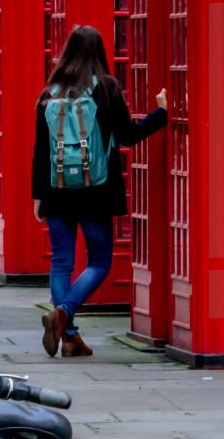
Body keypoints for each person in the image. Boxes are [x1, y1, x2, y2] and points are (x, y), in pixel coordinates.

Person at [32, 24, 167, 358]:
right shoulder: (106, 88)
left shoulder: (50, 92)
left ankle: (71, 335)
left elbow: (39, 150)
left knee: (62, 262)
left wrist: (38, 196)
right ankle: (63, 316)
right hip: (96, 190)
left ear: (67, 52)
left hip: (58, 188)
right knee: (100, 262)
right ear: (100, 53)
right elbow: (129, 136)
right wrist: (162, 112)